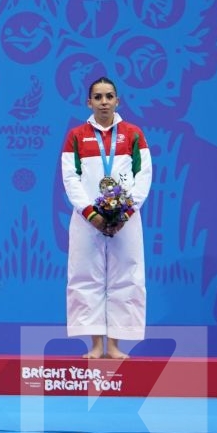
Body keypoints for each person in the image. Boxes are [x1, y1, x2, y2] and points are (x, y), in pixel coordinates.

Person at [62, 76, 153, 359]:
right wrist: (91, 213)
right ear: (88, 102)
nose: (104, 102)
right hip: (87, 219)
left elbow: (144, 176)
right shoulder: (76, 135)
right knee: (85, 277)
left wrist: (125, 212)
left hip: (126, 219)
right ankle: (95, 345)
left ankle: (114, 345)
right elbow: (70, 178)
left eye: (109, 96)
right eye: (98, 97)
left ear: (118, 100)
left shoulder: (134, 134)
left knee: (127, 277)